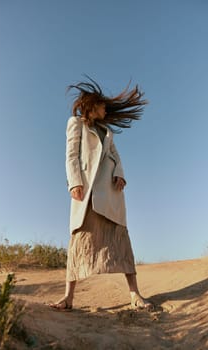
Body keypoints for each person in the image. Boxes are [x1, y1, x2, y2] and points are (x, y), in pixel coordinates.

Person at [49, 77, 153, 311]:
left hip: (109, 192)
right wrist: (74, 182)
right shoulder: (76, 123)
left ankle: (134, 294)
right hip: (87, 193)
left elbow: (115, 155)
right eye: (103, 105)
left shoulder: (107, 132)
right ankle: (68, 297)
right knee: (79, 240)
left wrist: (120, 173)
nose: (106, 109)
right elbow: (71, 156)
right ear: (92, 105)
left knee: (120, 239)